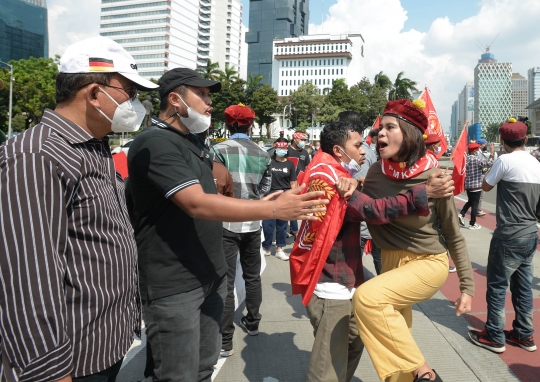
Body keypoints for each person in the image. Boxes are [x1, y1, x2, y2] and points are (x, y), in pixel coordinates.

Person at [127, 68, 328, 382]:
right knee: (176, 374)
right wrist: (271, 207)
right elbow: (194, 202)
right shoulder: (155, 142)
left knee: (204, 368)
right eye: (202, 94)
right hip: (174, 283)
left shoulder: (196, 143)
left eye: (209, 95)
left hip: (209, 272)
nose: (210, 103)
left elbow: (216, 192)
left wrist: (269, 201)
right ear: (175, 100)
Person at [0, 36, 157, 381]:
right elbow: (28, 280)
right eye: (128, 92)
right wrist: (50, 371)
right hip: (69, 360)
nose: (135, 103)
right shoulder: (37, 156)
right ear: (94, 93)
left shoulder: (94, 149)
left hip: (103, 345)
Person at [289, 119, 455, 382]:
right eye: (357, 145)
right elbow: (375, 211)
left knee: (354, 341)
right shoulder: (333, 179)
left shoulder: (325, 169)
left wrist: (359, 183)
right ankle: (422, 371)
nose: (365, 149)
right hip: (332, 282)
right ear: (338, 151)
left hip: (344, 277)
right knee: (327, 366)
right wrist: (423, 193)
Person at [354, 99, 475, 382]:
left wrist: (467, 287)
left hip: (427, 263)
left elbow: (453, 235)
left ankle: (426, 374)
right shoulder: (374, 173)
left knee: (367, 299)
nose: (379, 134)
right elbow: (365, 201)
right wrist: (351, 184)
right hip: (391, 263)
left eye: (389, 127)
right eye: (379, 128)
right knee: (395, 343)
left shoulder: (435, 178)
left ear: (408, 133)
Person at [468, 118, 540, 354]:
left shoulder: (504, 161)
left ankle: (494, 335)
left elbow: (486, 186)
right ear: (526, 139)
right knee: (523, 287)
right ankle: (523, 334)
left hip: (508, 234)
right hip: (530, 234)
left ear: (502, 140)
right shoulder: (536, 163)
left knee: (498, 286)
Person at [212, 103, 272, 357]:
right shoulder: (263, 152)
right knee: (252, 275)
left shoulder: (217, 149)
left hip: (226, 221)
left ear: (228, 124)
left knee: (225, 281)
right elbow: (266, 187)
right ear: (250, 125)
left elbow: (213, 185)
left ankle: (225, 340)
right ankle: (253, 321)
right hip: (253, 221)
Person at [337, 110, 382, 275]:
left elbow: (356, 189)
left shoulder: (359, 152)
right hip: (361, 221)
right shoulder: (358, 150)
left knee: (351, 268)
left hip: (359, 223)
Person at [262, 138, 297, 261]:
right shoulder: (269, 162)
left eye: (284, 148)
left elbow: (293, 182)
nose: (281, 150)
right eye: (279, 148)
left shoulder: (290, 164)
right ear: (275, 148)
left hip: (285, 195)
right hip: (270, 194)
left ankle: (279, 249)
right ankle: (266, 247)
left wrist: (295, 197)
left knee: (282, 225)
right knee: (267, 224)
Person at [457, 142, 494, 230]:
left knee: (470, 201)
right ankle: (472, 223)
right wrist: (492, 153)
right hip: (476, 185)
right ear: (474, 151)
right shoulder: (476, 159)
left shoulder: (466, 159)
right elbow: (489, 163)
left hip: (468, 185)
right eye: (477, 150)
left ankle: (461, 214)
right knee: (475, 205)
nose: (478, 151)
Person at [288, 131, 311, 236]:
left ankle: (295, 229)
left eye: (304, 140)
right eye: (301, 140)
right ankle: (290, 228)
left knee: (295, 207)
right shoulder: (287, 151)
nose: (303, 142)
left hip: (299, 184)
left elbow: (307, 168)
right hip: (285, 182)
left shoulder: (304, 153)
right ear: (294, 139)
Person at [475, 138, 496, 216]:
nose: (485, 146)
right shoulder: (478, 153)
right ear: (480, 145)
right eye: (484, 145)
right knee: (480, 194)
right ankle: (477, 210)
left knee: (478, 195)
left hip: (480, 175)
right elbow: (489, 163)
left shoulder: (478, 152)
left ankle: (476, 209)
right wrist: (492, 152)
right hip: (480, 175)